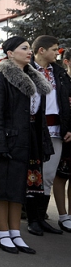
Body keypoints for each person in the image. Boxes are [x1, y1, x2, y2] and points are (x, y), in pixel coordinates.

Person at [0, 36, 53, 254]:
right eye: (23, 48)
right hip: (7, 140)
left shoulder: (33, 77)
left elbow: (37, 113)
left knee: (18, 189)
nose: (28, 51)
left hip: (27, 139)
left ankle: (15, 233)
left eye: (28, 48)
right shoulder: (1, 76)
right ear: (10, 53)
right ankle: (3, 233)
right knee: (1, 189)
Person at [29, 35, 70, 235]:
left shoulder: (60, 73)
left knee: (48, 175)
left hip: (56, 130)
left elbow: (65, 101)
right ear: (41, 50)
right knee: (33, 174)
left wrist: (68, 127)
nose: (57, 52)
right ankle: (32, 219)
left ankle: (41, 217)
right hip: (35, 129)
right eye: (54, 49)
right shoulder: (27, 70)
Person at [55, 48, 71, 232]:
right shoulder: (61, 80)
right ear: (66, 62)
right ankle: (62, 215)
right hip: (64, 133)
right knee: (61, 175)